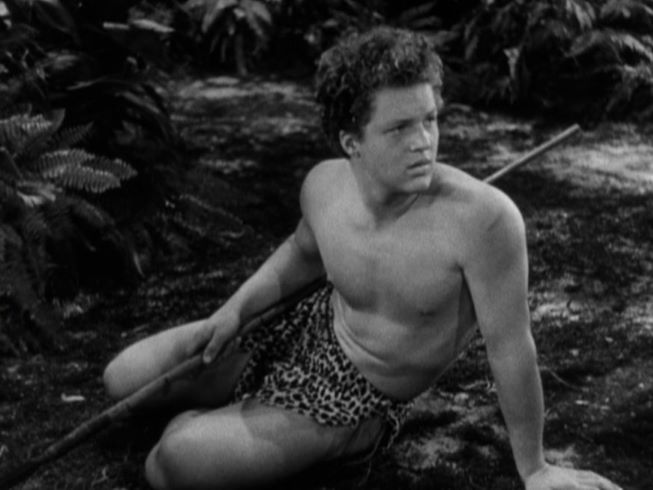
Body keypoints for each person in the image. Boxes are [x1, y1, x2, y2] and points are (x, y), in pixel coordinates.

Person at [103, 27, 621, 490]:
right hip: (298, 329)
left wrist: (534, 467)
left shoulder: (484, 222)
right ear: (352, 141)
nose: (424, 143)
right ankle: (237, 411)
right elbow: (300, 253)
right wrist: (232, 312)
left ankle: (343, 438)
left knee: (169, 464)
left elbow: (511, 348)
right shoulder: (324, 185)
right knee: (122, 378)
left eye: (430, 120)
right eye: (399, 129)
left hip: (353, 397)